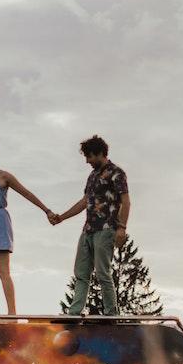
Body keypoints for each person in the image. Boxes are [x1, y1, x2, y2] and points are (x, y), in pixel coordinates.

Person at [0, 141, 57, 315]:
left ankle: (12, 314)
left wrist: (46, 210)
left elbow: (27, 193)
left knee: (3, 271)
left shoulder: (4, 177)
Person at [49, 135, 130, 315]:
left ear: (100, 153)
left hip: (106, 228)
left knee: (103, 273)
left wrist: (121, 228)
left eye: (89, 156)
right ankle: (75, 312)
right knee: (81, 273)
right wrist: (62, 217)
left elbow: (126, 201)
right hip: (88, 230)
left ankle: (111, 314)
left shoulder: (117, 173)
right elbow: (85, 201)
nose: (87, 161)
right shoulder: (92, 176)